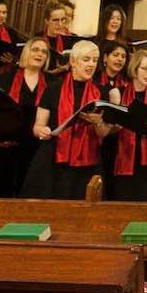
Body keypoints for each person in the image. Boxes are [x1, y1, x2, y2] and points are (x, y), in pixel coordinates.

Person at [27, 40, 108, 199]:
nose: (91, 64)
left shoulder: (101, 92)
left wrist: (97, 122)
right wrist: (42, 131)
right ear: (73, 61)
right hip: (54, 158)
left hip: (88, 161)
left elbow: (104, 132)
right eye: (86, 59)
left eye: (94, 60)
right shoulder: (53, 89)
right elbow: (37, 126)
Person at [105, 50, 147, 201]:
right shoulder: (117, 93)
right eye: (145, 69)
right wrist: (117, 126)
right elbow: (111, 128)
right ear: (135, 69)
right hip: (123, 155)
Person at [0, 37, 49, 195]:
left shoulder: (52, 82)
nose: (39, 54)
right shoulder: (7, 78)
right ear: (26, 52)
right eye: (35, 50)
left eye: (44, 52)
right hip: (10, 142)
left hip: (39, 144)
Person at [40, 1, 72, 74]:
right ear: (47, 21)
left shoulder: (69, 40)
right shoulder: (38, 39)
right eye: (55, 20)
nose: (60, 24)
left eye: (63, 19)